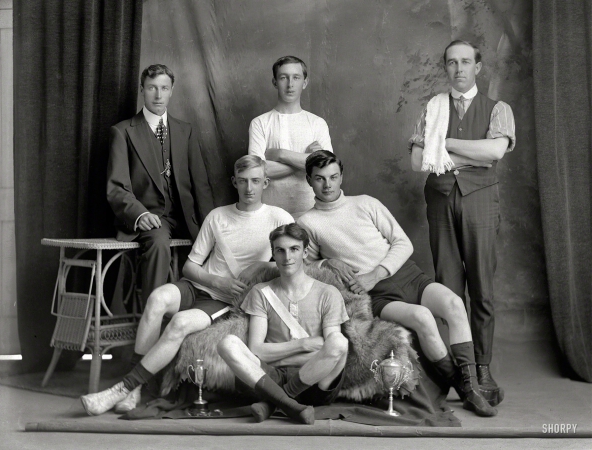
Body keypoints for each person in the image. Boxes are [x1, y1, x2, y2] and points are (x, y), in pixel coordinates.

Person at [82, 156, 293, 416]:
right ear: (234, 182)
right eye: (243, 181)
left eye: (256, 181)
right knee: (158, 298)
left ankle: (123, 388)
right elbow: (190, 267)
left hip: (224, 300)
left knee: (180, 323)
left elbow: (295, 259)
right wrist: (216, 280)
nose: (249, 188)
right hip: (199, 285)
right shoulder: (218, 216)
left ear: (266, 183)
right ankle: (134, 388)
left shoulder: (278, 217)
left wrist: (261, 268)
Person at [297, 150, 497, 417]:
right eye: (320, 179)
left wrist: (377, 272)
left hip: (406, 275)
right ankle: (464, 388)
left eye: (333, 177)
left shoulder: (366, 203)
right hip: (376, 294)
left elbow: (403, 243)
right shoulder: (307, 222)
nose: (328, 184)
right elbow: (301, 265)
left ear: (341, 176)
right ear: (309, 180)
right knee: (423, 317)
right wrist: (326, 263)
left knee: (454, 303)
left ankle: (470, 384)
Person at [409, 40, 516, 406]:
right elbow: (418, 160)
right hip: (439, 201)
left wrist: (446, 144)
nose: (459, 69)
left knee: (482, 289)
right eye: (452, 62)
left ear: (478, 67)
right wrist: (470, 152)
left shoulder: (498, 109)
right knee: (449, 290)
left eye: (466, 62)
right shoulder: (433, 107)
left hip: (480, 201)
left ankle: (483, 366)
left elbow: (495, 152)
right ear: (445, 67)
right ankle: (460, 369)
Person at [217, 223, 349, 424]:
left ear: (305, 252)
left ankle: (276, 403)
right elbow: (257, 350)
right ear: (273, 254)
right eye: (280, 250)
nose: (287, 257)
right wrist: (302, 346)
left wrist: (278, 355)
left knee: (340, 343)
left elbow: (330, 350)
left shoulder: (328, 293)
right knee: (227, 343)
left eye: (294, 249)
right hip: (270, 379)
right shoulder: (261, 292)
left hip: (315, 383)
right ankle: (292, 405)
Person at [107, 64, 214, 306]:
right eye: (152, 88)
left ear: (172, 90)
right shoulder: (122, 132)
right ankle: (152, 322)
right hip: (153, 218)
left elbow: (201, 185)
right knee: (158, 245)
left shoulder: (184, 130)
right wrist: (139, 214)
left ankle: (196, 320)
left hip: (187, 218)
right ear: (142, 90)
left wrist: (211, 224)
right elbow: (116, 187)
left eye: (164, 88)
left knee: (218, 249)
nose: (158, 95)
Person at [248, 56, 333, 218]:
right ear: (274, 82)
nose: (290, 84)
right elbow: (258, 172)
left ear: (305, 82)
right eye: (283, 78)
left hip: (312, 211)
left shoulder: (317, 123)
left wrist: (281, 154)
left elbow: (326, 168)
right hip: (270, 213)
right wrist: (309, 160)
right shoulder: (259, 123)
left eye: (296, 77)